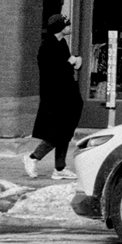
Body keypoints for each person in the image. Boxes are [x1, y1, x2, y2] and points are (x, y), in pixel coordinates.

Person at [24, 13, 84, 180]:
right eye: (67, 24)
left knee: (66, 132)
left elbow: (66, 66)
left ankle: (59, 168)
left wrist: (74, 62)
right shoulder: (47, 47)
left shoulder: (62, 43)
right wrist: (71, 62)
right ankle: (33, 157)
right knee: (57, 132)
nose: (70, 27)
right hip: (55, 96)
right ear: (59, 27)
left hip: (68, 94)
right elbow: (53, 72)